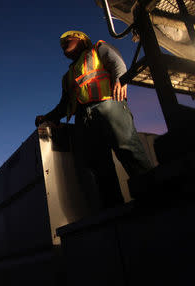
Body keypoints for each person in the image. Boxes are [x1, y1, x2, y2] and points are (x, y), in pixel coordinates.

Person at [35, 30, 152, 209]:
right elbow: (64, 104)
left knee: (128, 149)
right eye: (62, 43)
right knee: (98, 163)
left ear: (82, 40)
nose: (63, 44)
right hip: (84, 118)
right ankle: (114, 209)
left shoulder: (98, 49)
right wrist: (49, 117)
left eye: (68, 39)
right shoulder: (67, 77)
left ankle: (153, 196)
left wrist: (121, 80)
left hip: (108, 105)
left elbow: (116, 61)